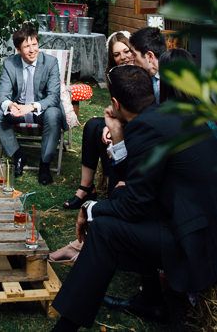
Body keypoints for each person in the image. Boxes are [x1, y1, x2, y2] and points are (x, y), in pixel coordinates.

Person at [50, 64, 217, 331]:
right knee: (114, 211)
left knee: (104, 229)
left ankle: (65, 327)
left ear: (115, 103)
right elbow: (134, 184)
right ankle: (156, 302)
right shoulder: (171, 114)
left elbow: (133, 206)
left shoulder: (144, 127)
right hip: (195, 221)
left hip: (193, 241)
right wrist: (117, 133)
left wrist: (90, 209)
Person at [62, 31, 134, 210]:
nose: (123, 57)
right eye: (117, 54)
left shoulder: (140, 71)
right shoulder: (113, 74)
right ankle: (85, 187)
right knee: (93, 126)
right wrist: (109, 125)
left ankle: (115, 187)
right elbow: (116, 107)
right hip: (121, 120)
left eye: (126, 51)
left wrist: (115, 126)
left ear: (133, 50)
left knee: (105, 133)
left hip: (135, 123)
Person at [0, 22, 63, 185]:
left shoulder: (50, 63)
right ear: (18, 49)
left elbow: (53, 97)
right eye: (26, 46)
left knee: (54, 113)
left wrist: (32, 106)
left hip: (40, 111)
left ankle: (45, 165)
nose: (32, 50)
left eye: (34, 44)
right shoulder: (10, 63)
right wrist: (10, 105)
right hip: (18, 109)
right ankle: (18, 155)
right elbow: (2, 95)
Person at [129, 26, 166, 103]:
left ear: (149, 56)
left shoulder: (175, 84)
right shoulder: (146, 77)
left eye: (134, 55)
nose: (131, 59)